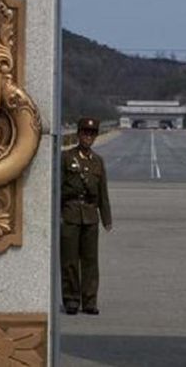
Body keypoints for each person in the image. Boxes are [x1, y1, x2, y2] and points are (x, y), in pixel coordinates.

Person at [60, 117, 112, 315]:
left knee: (90, 261)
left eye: (91, 134)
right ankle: (71, 299)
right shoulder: (66, 158)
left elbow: (102, 192)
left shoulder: (98, 161)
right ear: (78, 134)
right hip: (71, 214)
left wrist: (106, 218)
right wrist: (58, 214)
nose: (88, 137)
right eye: (84, 133)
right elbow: (58, 188)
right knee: (70, 261)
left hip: (90, 216)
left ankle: (89, 300)